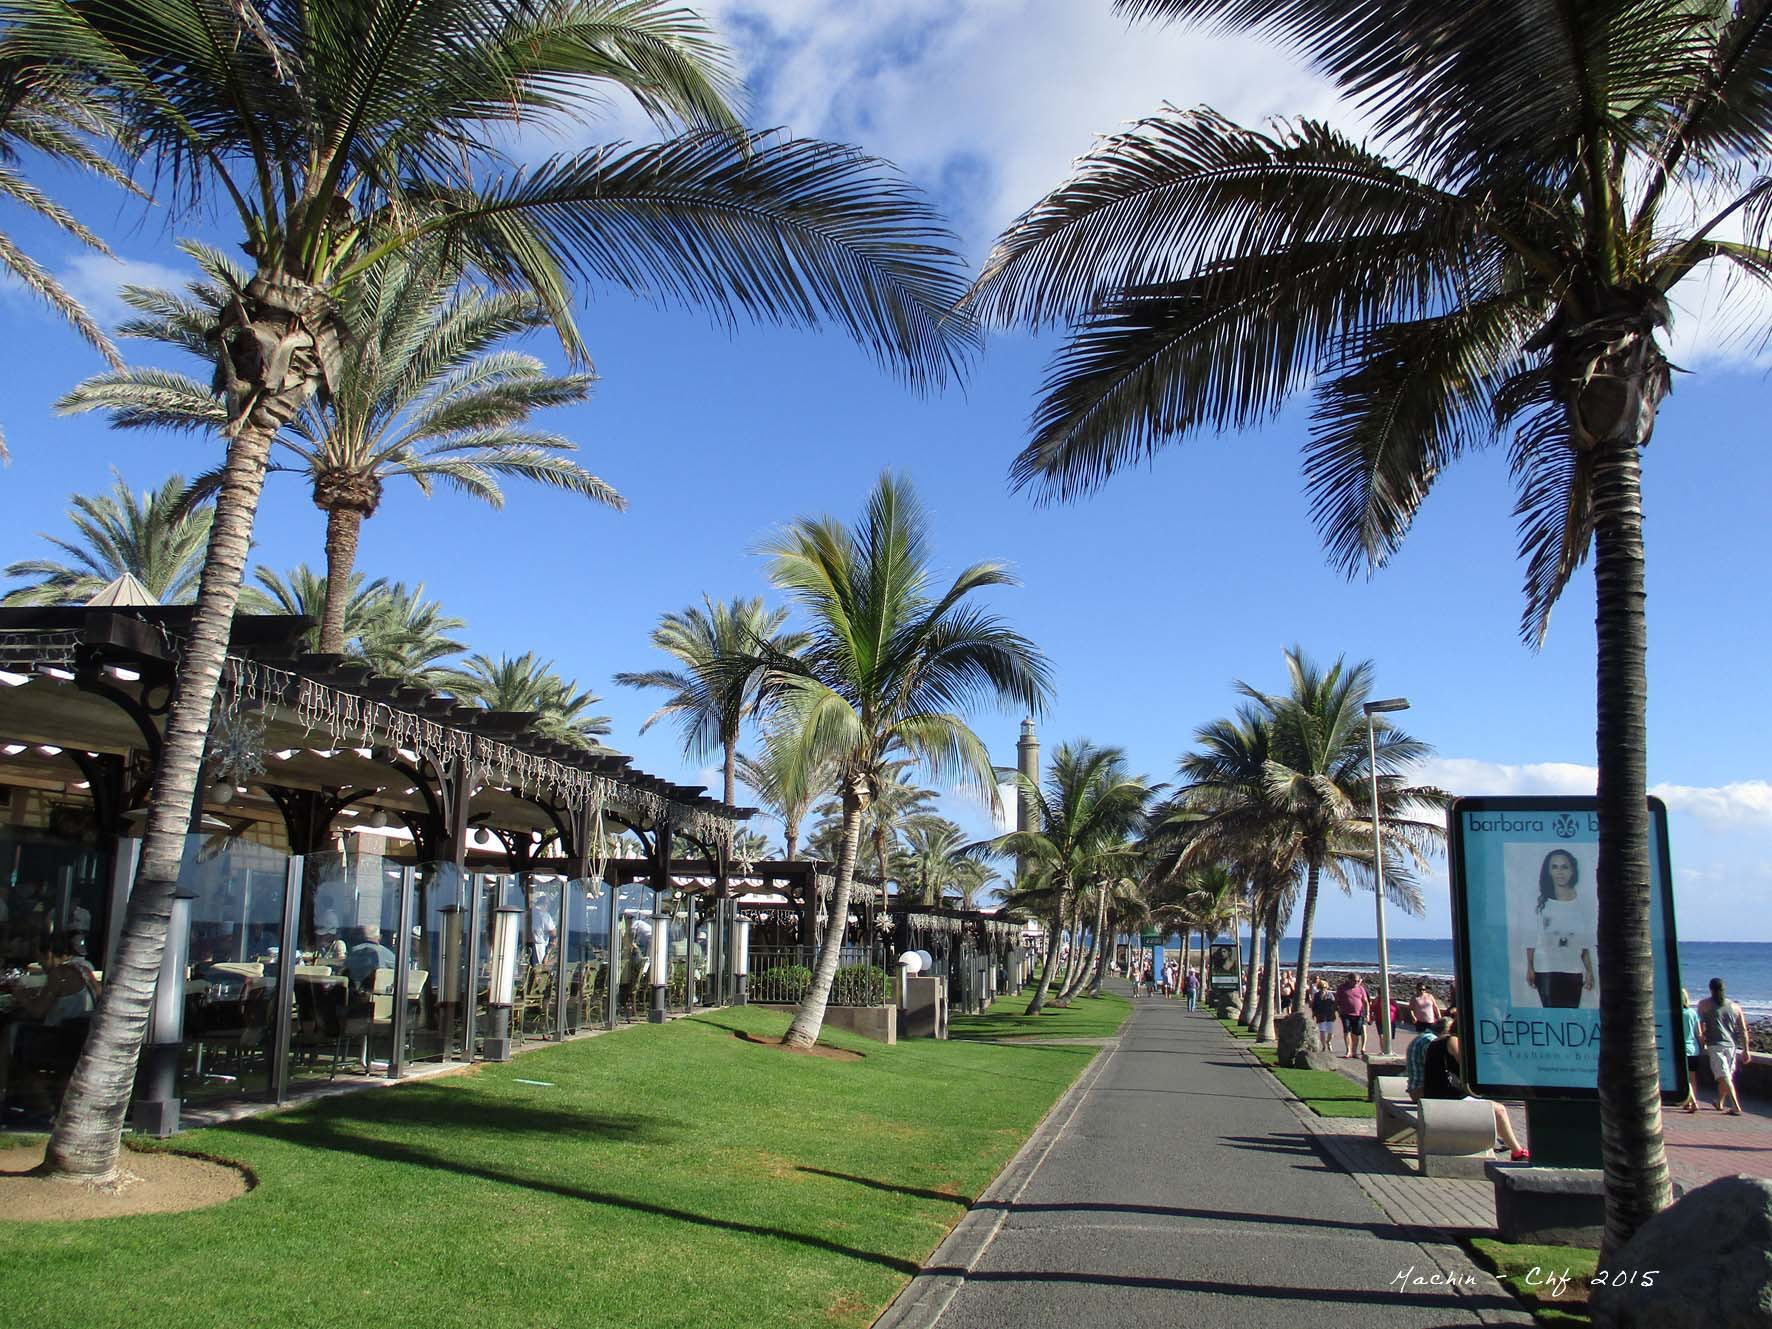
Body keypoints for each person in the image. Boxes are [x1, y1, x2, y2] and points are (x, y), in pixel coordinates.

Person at [1420, 1015, 1529, 1160]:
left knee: (1489, 1105)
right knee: (1499, 1110)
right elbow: (1467, 1069)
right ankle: (1517, 1152)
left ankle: (1504, 1144)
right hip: (1447, 1098)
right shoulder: (1453, 1040)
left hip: (1435, 1097)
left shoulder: (1438, 1041)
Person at [1524, 849, 1594, 1008]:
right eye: (1554, 867)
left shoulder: (1582, 902)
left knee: (1571, 1015)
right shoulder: (1540, 902)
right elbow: (1531, 938)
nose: (1560, 872)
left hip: (1574, 970)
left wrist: (1589, 971)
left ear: (1572, 870)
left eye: (1564, 867)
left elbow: (1584, 943)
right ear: (1548, 871)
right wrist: (1530, 967)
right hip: (1545, 970)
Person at [1697, 977, 1753, 1115]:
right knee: (1726, 1075)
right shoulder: (1735, 1007)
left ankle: (1735, 1105)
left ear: (1710, 989)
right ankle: (1720, 1102)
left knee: (1724, 1075)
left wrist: (1701, 1042)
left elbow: (1699, 1026)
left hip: (1715, 1044)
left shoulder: (1704, 1005)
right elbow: (1743, 1030)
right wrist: (1746, 1049)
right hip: (1731, 1046)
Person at [1335, 973, 1370, 1058]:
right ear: (1349, 980)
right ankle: (1348, 1051)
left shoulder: (1361, 989)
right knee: (1346, 1031)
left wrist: (1367, 1014)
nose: (1356, 983)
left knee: (1356, 1033)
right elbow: (1337, 1000)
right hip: (1346, 1013)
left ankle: (1354, 1052)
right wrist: (1338, 1010)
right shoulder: (1342, 988)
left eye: (1358, 981)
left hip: (1358, 1014)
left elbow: (1365, 1002)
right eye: (1354, 981)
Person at [1678, 988, 1702, 1114]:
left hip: (1683, 1049)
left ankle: (1693, 1102)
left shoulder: (1677, 1013)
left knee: (1685, 1079)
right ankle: (1690, 1101)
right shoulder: (1693, 1013)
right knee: (1692, 1078)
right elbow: (1699, 1032)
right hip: (1694, 1049)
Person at [1405, 1015, 1441, 1097]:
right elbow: (1434, 1069)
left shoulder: (1424, 1036)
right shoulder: (1431, 1040)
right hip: (1421, 1090)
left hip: (1416, 1088)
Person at [1309, 977, 1337, 1052]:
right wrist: (1313, 1014)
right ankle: (1324, 1046)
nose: (1323, 989)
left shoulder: (1330, 994)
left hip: (1329, 1015)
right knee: (1322, 1031)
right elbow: (1314, 1005)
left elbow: (1334, 1004)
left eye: (1324, 987)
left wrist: (1335, 1011)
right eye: (1321, 987)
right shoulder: (1317, 995)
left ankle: (1328, 1041)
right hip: (1320, 1015)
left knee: (1330, 1032)